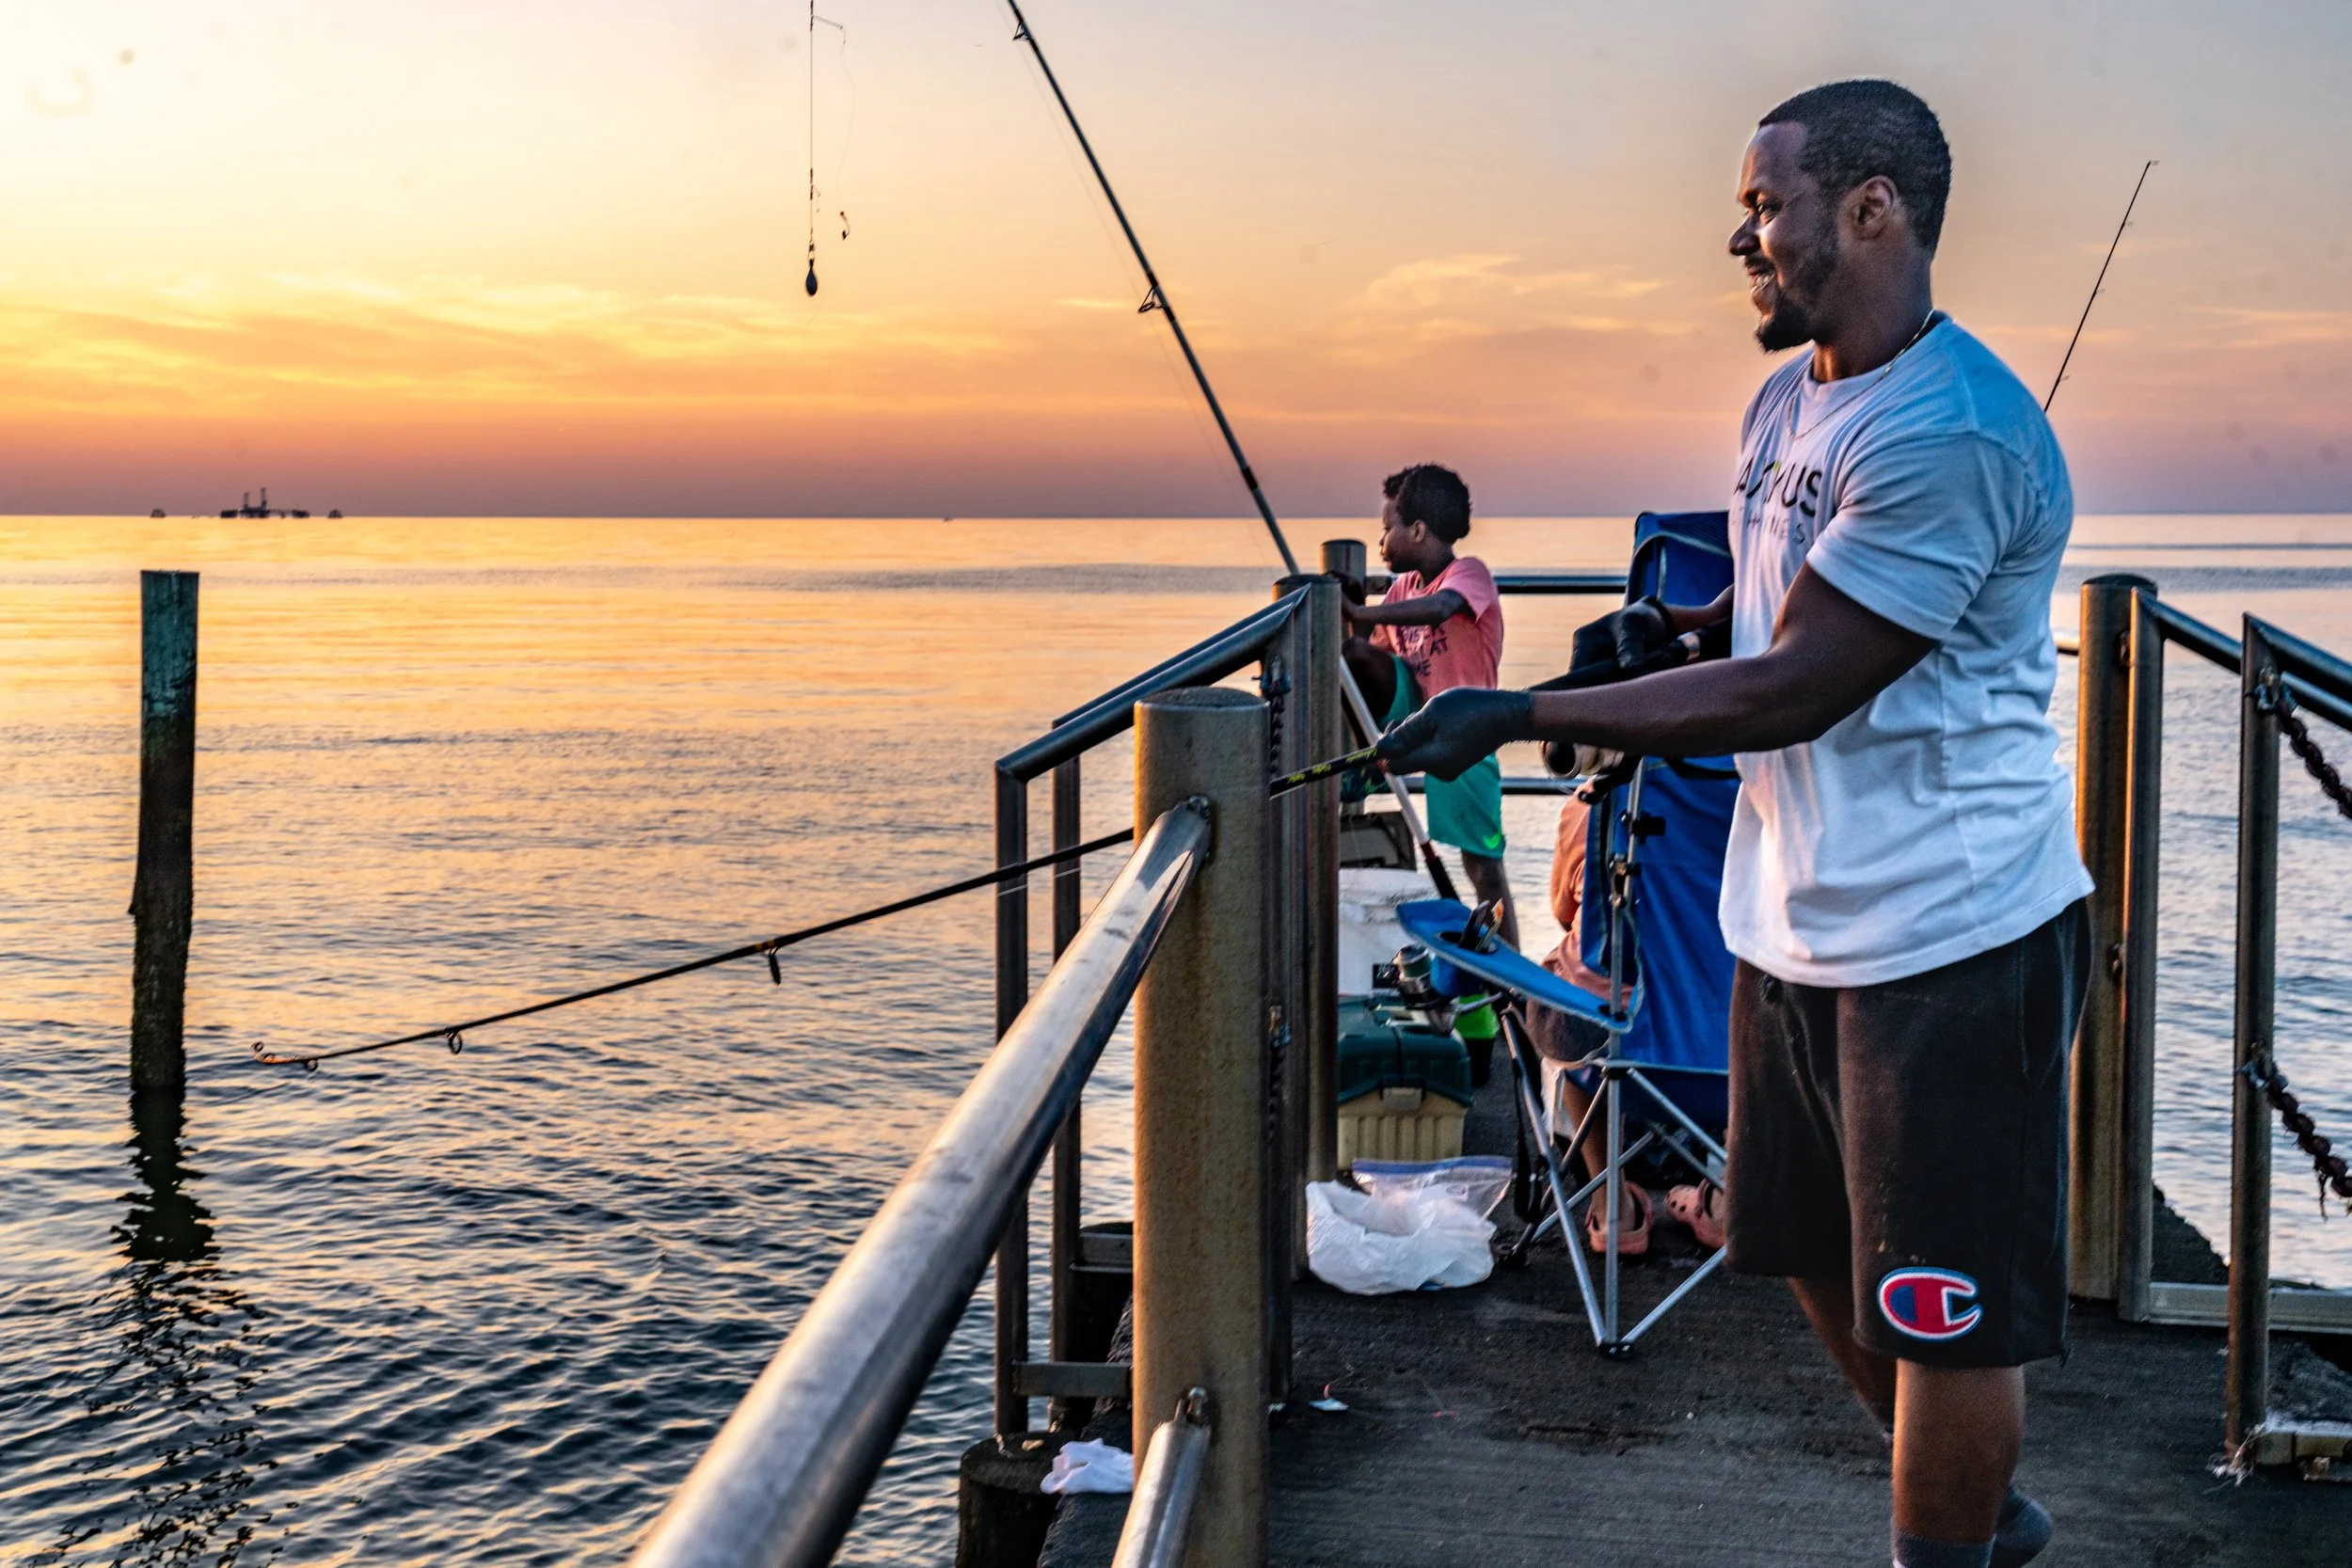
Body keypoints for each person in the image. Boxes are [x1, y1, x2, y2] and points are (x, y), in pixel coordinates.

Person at [1378, 80, 2082, 1568]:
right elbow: (1764, 617)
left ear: (1873, 206)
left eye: (1765, 205)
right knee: (1802, 1253)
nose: (1739, 237)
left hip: (1951, 937)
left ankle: (1942, 1536)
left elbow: (1804, 684)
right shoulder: (1786, 400)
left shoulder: (1956, 433)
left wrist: (1521, 716)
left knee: (1939, 1309)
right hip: (1787, 916)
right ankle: (1973, 1502)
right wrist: (1672, 627)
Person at [1341, 463, 1519, 948]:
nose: (1381, 544)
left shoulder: (1470, 573)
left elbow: (1442, 608)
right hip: (1415, 709)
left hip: (1466, 727)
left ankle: (1510, 972)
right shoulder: (1399, 590)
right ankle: (1364, 765)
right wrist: (1352, 618)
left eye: (1387, 530)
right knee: (1356, 657)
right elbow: (1375, 657)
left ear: (1418, 530)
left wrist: (1362, 610)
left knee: (1481, 863)